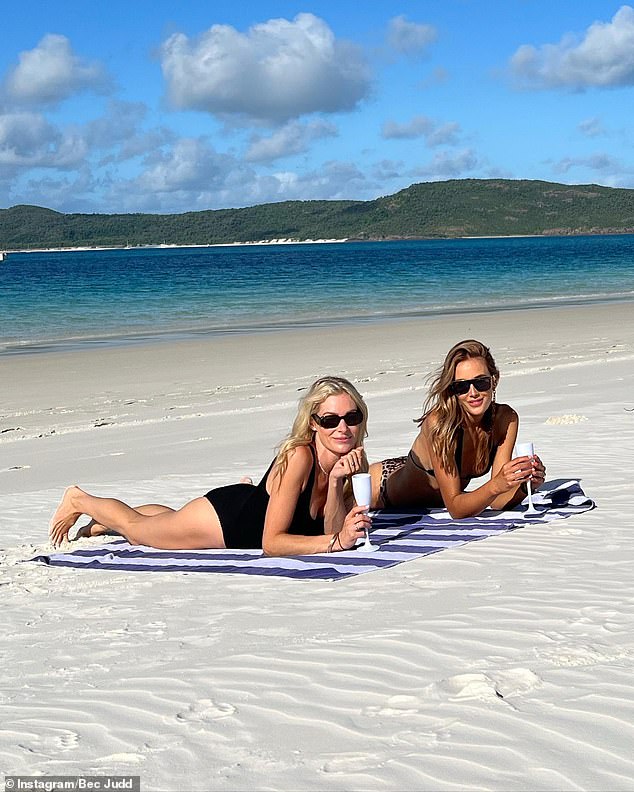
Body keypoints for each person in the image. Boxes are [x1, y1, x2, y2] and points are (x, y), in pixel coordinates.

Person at [50, 376, 372, 556]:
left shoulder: (354, 460)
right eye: (330, 419)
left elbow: (332, 531)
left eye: (351, 417)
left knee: (166, 519)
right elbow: (272, 543)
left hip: (243, 506)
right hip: (225, 522)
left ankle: (101, 524)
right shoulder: (300, 457)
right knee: (137, 532)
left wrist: (335, 484)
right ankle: (79, 499)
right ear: (313, 424)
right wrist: (337, 542)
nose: (342, 428)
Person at [369, 339, 546, 518]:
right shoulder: (440, 424)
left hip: (417, 483)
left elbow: (497, 500)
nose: (473, 392)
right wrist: (497, 484)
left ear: (494, 380)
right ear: (453, 390)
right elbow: (456, 508)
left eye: (481, 382)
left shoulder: (505, 420)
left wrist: (525, 485)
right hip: (380, 490)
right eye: (462, 386)